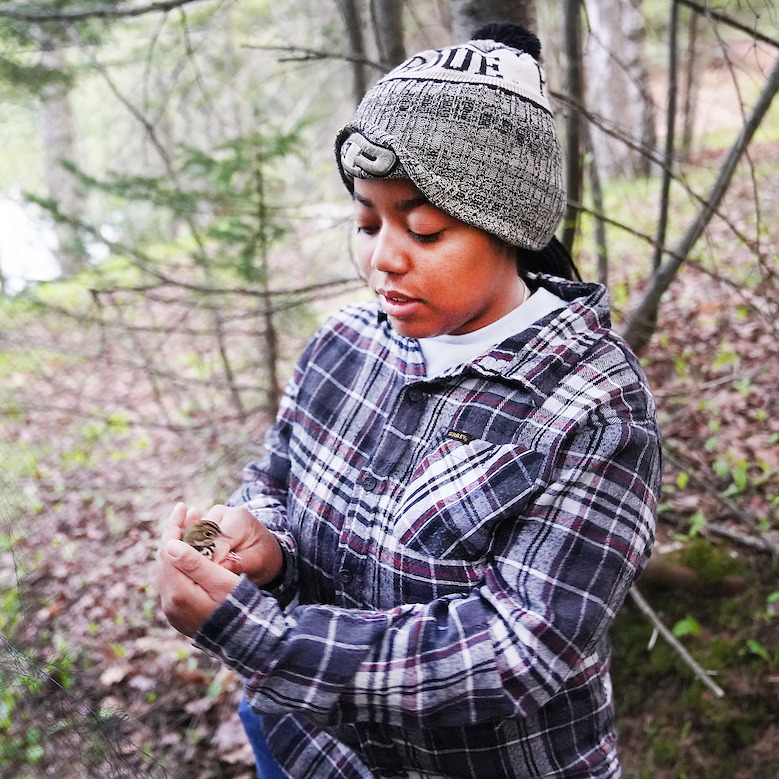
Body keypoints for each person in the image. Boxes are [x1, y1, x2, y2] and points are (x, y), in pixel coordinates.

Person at [157, 22, 661, 779]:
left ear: (509, 228)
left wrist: (263, 638)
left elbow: (515, 651)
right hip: (305, 748)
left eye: (422, 229)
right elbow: (276, 481)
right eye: (366, 220)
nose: (380, 258)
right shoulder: (347, 340)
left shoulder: (594, 408)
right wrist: (253, 537)